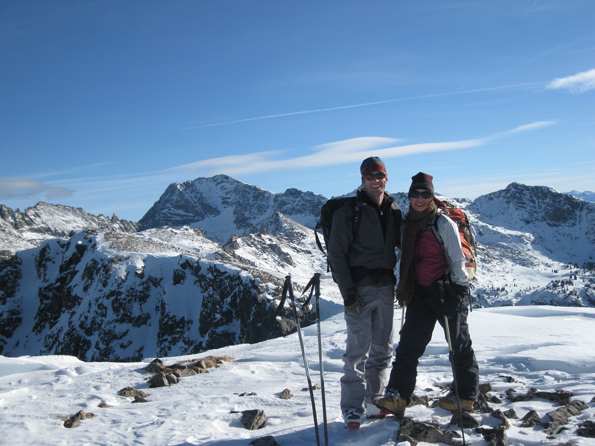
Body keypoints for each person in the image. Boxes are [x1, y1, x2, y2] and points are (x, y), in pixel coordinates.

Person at [378, 172, 479, 416]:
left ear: (432, 196)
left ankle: (465, 396)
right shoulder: (407, 224)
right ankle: (397, 396)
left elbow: (457, 259)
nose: (420, 198)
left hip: (447, 292)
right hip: (420, 293)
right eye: (416, 194)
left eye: (426, 194)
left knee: (458, 345)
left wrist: (458, 291)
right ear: (410, 195)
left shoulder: (442, 223)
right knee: (409, 346)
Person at [327, 156, 402, 428]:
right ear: (362, 180)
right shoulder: (349, 212)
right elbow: (336, 254)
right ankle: (351, 408)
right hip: (359, 290)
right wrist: (348, 293)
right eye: (370, 177)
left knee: (383, 349)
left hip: (385, 289)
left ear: (386, 178)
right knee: (357, 351)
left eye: (379, 176)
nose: (375, 181)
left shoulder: (393, 210)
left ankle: (375, 401)